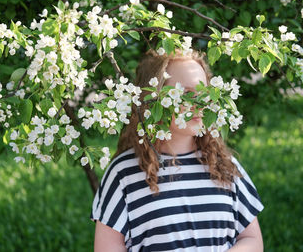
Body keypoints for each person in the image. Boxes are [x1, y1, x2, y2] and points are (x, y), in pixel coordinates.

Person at [90, 48, 264, 251]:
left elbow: (252, 240)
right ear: (154, 99)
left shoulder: (224, 166)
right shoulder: (124, 174)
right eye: (187, 93)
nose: (201, 103)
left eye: (205, 93)